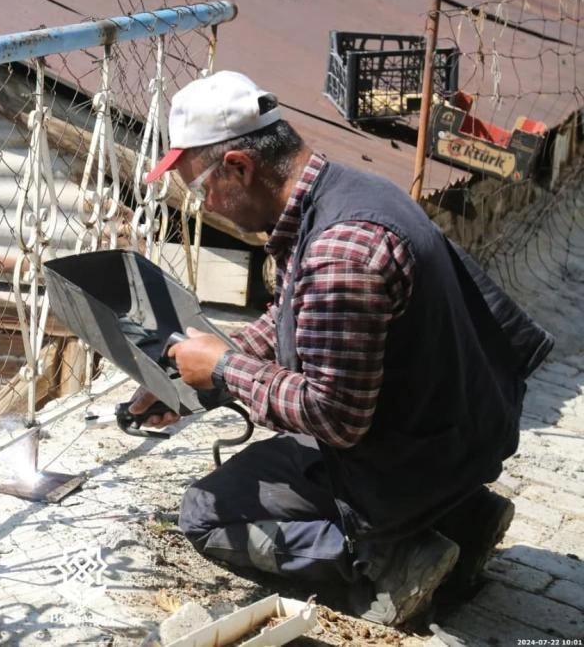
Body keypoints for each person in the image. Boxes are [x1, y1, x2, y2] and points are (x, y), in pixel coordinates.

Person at [128, 71, 553, 625]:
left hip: (411, 461)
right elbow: (295, 316)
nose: (205, 205)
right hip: (463, 436)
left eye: (200, 188)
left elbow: (335, 416)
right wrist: (192, 380)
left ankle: (382, 558)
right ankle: (463, 517)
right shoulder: (351, 193)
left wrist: (227, 370)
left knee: (205, 512)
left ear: (239, 166)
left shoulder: (340, 252)